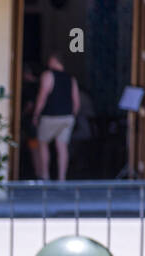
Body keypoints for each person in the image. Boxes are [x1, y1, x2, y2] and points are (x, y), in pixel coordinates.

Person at [32, 52, 80, 181]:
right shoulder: (72, 78)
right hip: (67, 117)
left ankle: (45, 176)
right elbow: (76, 102)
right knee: (62, 147)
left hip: (50, 116)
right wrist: (73, 116)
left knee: (43, 144)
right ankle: (62, 178)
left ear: (53, 61)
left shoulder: (48, 75)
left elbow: (42, 96)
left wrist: (36, 114)